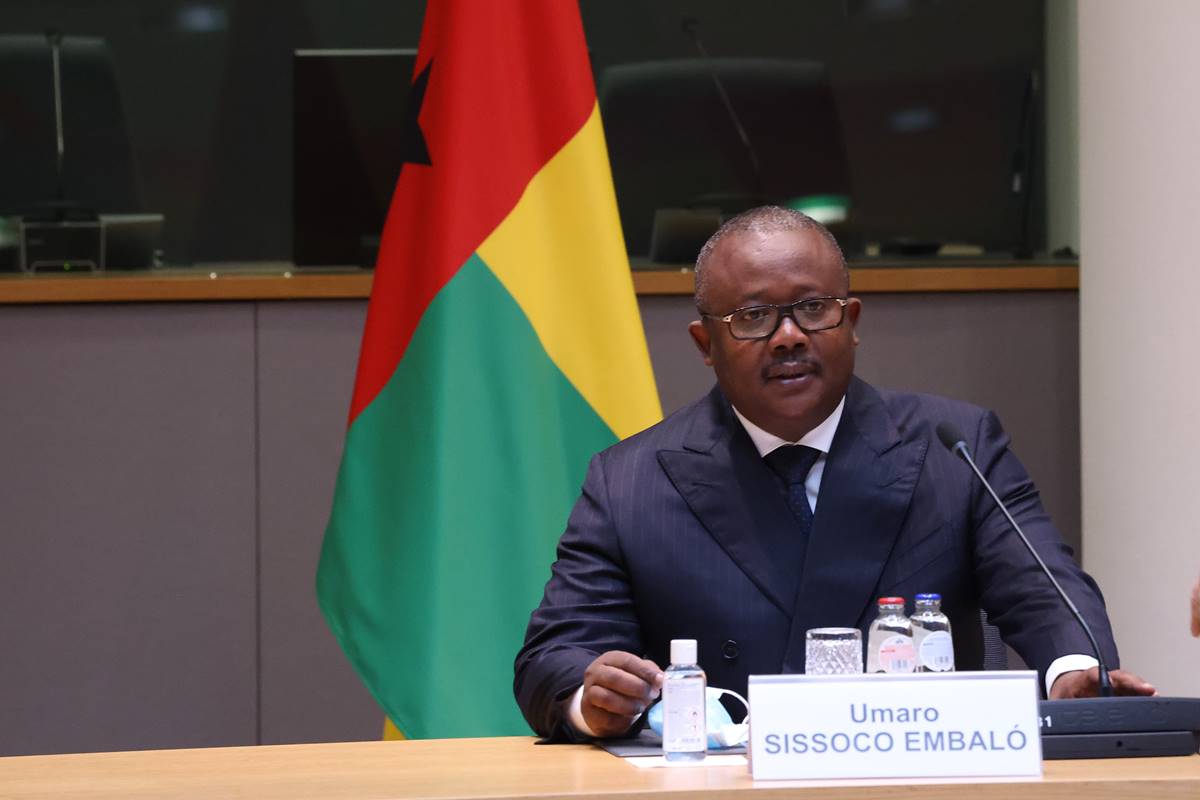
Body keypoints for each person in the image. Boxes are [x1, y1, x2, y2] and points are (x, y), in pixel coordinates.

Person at [513, 206, 1153, 741]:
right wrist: (592, 700)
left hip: (912, 778)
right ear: (705, 345)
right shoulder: (631, 480)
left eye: (814, 308)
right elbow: (554, 657)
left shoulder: (955, 448)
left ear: (851, 322)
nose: (789, 336)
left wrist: (1073, 672)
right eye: (753, 317)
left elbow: (1044, 589)